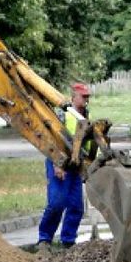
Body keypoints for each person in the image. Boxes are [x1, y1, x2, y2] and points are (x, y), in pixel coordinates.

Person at [37, 82, 91, 251]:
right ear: (73, 97)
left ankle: (68, 241)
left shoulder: (86, 115)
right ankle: (44, 239)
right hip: (60, 162)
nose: (86, 100)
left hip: (76, 165)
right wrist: (56, 164)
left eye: (88, 97)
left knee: (76, 206)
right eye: (84, 97)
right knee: (57, 203)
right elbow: (53, 139)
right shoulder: (63, 114)